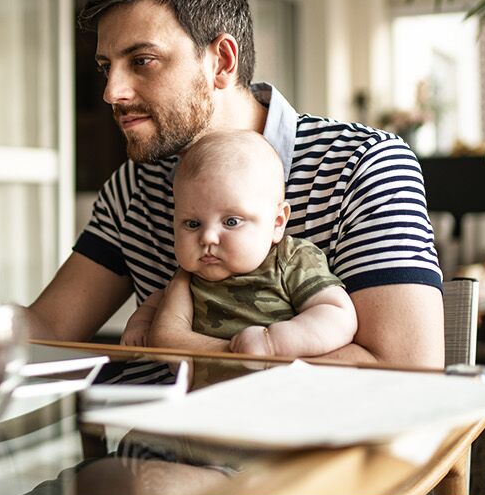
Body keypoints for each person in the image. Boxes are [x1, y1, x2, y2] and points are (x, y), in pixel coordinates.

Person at [0, 0, 443, 371]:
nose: (112, 92)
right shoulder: (132, 190)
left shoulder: (364, 163)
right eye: (107, 67)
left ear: (221, 62)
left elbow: (409, 372)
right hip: (163, 462)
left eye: (143, 60)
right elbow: (51, 329)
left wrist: (199, 350)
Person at [144, 129, 355, 359]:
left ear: (277, 222)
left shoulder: (290, 260)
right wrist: (142, 322)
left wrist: (272, 342)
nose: (207, 238)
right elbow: (160, 312)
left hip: (272, 388)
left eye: (231, 222)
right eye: (192, 223)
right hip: (201, 394)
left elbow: (337, 313)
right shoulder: (189, 275)